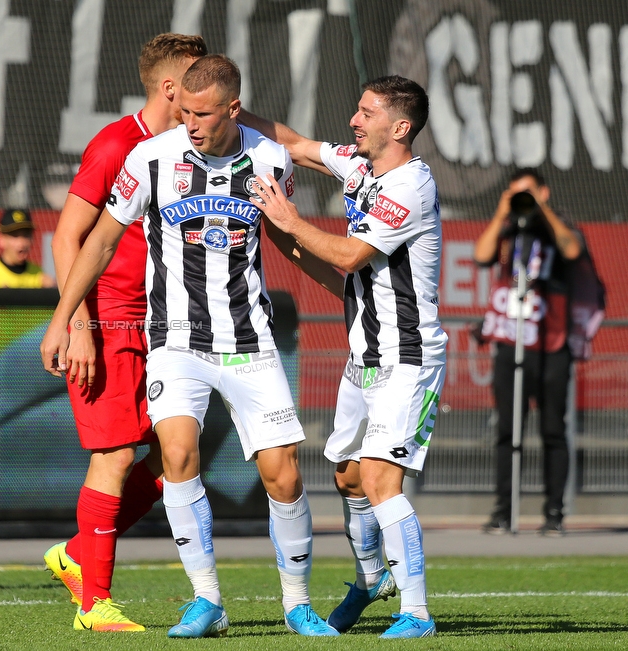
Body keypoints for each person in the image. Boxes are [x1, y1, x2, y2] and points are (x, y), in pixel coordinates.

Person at [42, 54, 338, 639]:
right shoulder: (149, 158)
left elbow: (288, 240)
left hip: (250, 341)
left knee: (283, 474)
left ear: (232, 109)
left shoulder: (269, 157)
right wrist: (64, 318)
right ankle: (206, 600)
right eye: (184, 112)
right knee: (176, 455)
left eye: (203, 114)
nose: (191, 124)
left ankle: (298, 604)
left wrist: (345, 294)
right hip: (175, 340)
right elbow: (98, 243)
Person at [246, 75, 446, 639]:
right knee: (349, 478)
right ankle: (370, 579)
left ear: (399, 127)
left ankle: (417, 614)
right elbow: (299, 144)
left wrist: (288, 221)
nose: (354, 121)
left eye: (366, 113)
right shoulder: (360, 168)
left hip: (408, 356)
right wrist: (235, 117)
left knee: (382, 479)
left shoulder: (409, 186)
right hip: (365, 356)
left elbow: (353, 255)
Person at [42, 32, 207, 633]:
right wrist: (78, 323)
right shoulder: (117, 143)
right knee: (113, 454)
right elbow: (67, 237)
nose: (207, 90)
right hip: (109, 318)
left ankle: (77, 555)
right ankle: (95, 605)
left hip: (165, 322)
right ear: (171, 89)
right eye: (196, 81)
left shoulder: (194, 147)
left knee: (177, 456)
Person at [473, 168, 583, 537]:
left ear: (544, 193)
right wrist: (503, 212)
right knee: (508, 430)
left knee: (553, 430)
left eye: (529, 194)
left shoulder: (558, 226)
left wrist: (542, 210)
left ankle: (555, 512)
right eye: (516, 193)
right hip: (511, 341)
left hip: (551, 343)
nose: (524, 201)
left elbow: (572, 249)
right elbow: (482, 254)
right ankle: (503, 509)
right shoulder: (508, 229)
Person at [0, 208, 55, 288]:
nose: (22, 243)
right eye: (15, 236)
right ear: (1, 239)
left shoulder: (38, 275)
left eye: (26, 235)